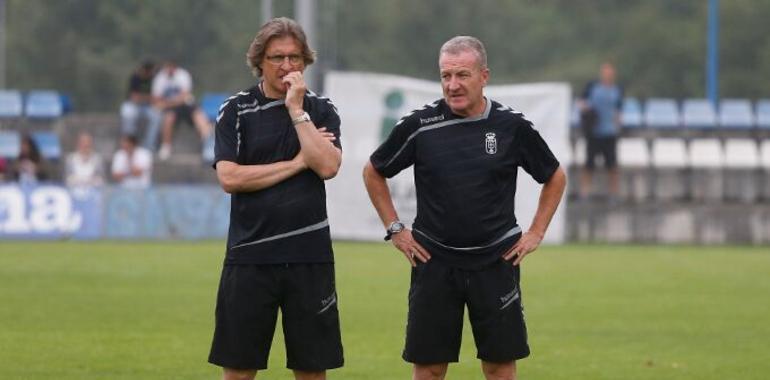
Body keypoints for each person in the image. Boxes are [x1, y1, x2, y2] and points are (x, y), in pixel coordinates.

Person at [363, 36, 566, 380]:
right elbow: (374, 171)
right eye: (445, 76)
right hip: (434, 261)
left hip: (496, 261)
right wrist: (396, 229)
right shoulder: (420, 125)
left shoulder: (511, 126)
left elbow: (554, 176)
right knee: (428, 368)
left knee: (499, 366)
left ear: (483, 76)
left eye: (462, 75)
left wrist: (536, 232)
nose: (452, 85)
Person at [207, 17, 343, 380]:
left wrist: (296, 110)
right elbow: (230, 177)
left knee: (312, 371)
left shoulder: (321, 109)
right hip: (250, 257)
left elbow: (328, 166)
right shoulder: (235, 110)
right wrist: (300, 162)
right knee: (238, 371)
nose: (287, 66)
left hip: (309, 257)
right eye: (277, 57)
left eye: (295, 57)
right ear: (259, 61)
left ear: (305, 61)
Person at [578, 62, 624, 200]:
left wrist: (618, 125)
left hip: (609, 132)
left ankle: (614, 194)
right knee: (589, 164)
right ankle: (585, 193)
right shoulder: (592, 87)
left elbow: (618, 110)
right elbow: (581, 102)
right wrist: (588, 111)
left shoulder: (617, 90)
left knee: (612, 165)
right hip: (594, 132)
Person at [152, 59, 212, 160]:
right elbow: (156, 99)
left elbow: (184, 96)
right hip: (171, 109)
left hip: (185, 105)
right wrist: (170, 103)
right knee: (168, 118)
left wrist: (166, 103)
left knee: (199, 117)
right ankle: (166, 147)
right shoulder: (160, 78)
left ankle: (208, 145)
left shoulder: (183, 75)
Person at [120, 61, 162, 151]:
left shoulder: (154, 79)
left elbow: (156, 97)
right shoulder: (135, 78)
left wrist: (144, 98)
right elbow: (134, 98)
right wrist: (148, 98)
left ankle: (149, 145)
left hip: (147, 106)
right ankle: (128, 143)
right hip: (132, 105)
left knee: (156, 117)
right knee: (128, 115)